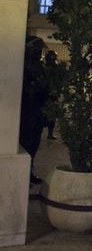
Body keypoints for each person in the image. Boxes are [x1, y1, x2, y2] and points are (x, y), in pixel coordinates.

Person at [19, 36, 48, 185]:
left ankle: (29, 172)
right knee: (26, 142)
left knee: (34, 143)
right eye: (36, 49)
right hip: (27, 111)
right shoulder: (23, 66)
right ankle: (24, 174)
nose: (39, 53)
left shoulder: (38, 66)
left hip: (38, 110)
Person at [44, 50, 58, 139]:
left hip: (47, 93)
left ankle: (50, 133)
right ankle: (49, 133)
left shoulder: (43, 66)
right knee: (51, 114)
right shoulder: (54, 68)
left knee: (50, 114)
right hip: (51, 93)